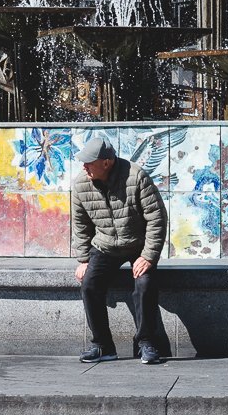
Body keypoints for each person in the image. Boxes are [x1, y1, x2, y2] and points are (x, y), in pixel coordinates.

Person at [71, 136, 168, 365]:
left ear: (107, 162)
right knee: (89, 284)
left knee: (144, 284)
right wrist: (83, 259)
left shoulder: (136, 177)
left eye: (89, 162)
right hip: (104, 245)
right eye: (83, 162)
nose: (84, 166)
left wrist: (148, 256)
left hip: (137, 245)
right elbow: (80, 224)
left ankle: (146, 343)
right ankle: (102, 346)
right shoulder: (80, 184)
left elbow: (157, 218)